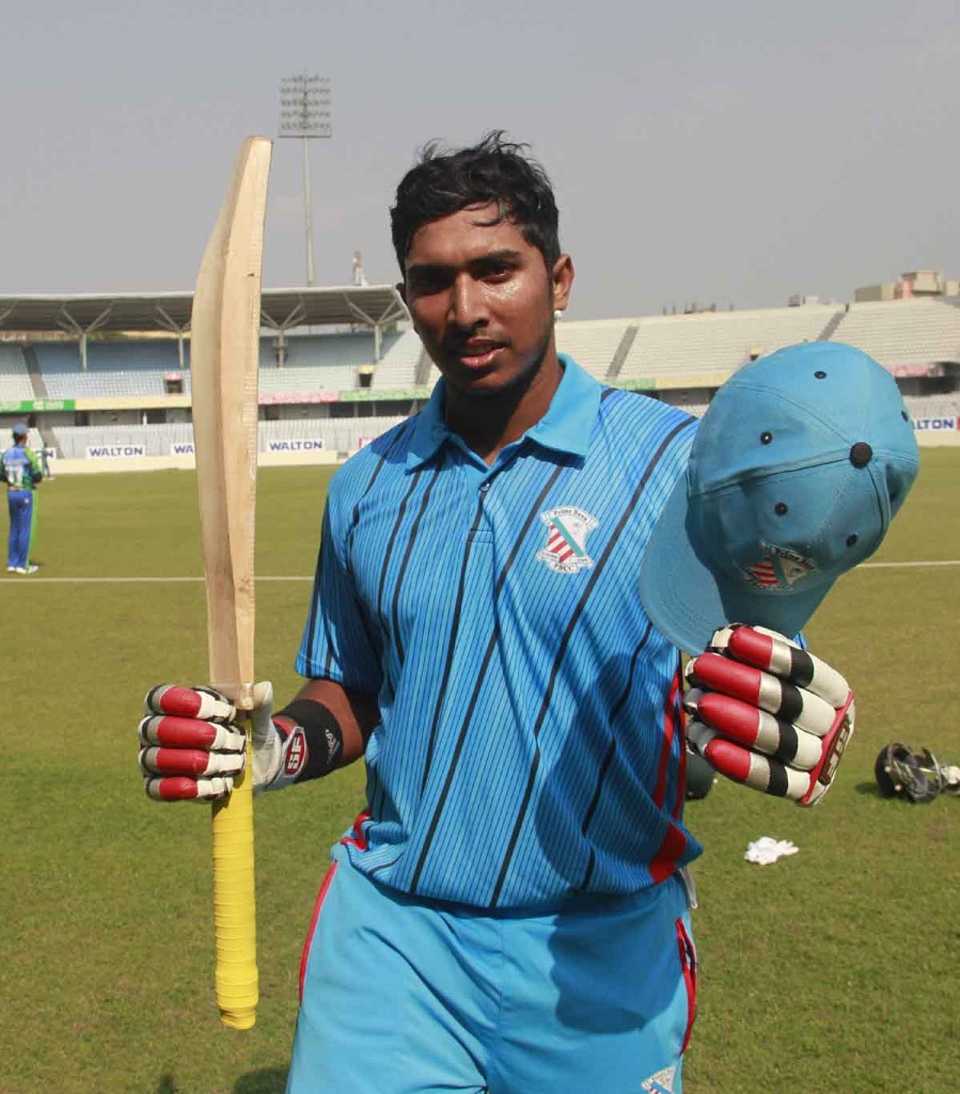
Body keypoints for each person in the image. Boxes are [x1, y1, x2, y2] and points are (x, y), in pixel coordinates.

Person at [138, 134, 912, 1093]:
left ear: (560, 278)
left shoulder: (673, 464)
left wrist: (791, 713)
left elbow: (750, 652)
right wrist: (273, 749)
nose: (464, 309)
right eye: (432, 281)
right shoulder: (364, 488)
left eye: (496, 269)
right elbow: (353, 688)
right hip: (397, 940)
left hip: (601, 947)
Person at [2, 422, 42, 574]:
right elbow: (37, 476)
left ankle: (12, 563)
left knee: (14, 528)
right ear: (24, 437)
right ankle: (22, 565)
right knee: (25, 529)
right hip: (25, 493)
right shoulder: (28, 453)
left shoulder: (5, 454)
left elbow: (1, 475)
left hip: (11, 493)